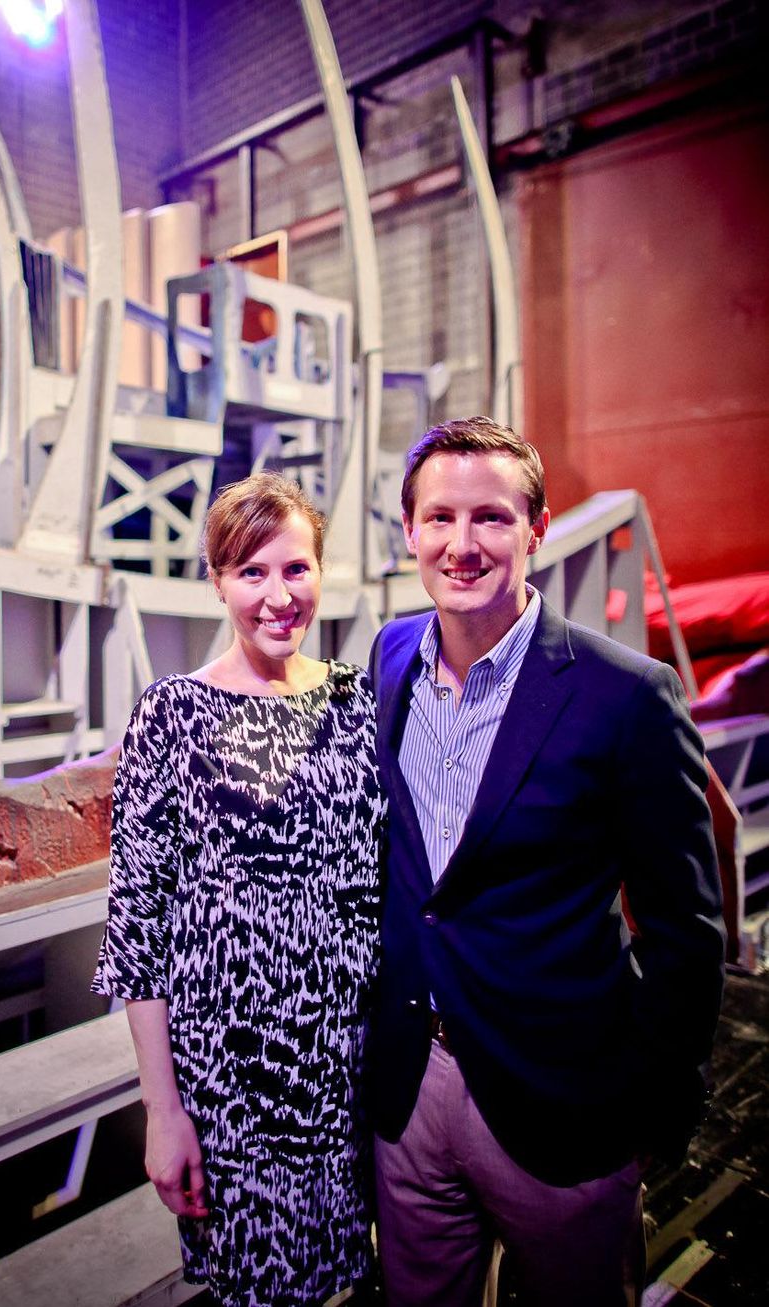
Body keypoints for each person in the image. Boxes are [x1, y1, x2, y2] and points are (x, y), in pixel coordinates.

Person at [367, 417, 726, 1306]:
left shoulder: (627, 695)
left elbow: (686, 929)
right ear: (408, 531)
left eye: (490, 517)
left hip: (564, 1101)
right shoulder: (388, 658)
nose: (462, 544)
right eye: (438, 518)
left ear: (536, 527)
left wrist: (653, 1107)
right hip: (413, 1091)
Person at [92, 472, 385, 1307]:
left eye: (295, 569)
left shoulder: (358, 701)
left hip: (351, 1071)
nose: (276, 595)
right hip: (233, 1089)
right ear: (217, 581)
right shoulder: (171, 716)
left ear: (322, 572)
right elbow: (137, 930)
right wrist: (163, 1111)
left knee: (363, 1278)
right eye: (251, 572)